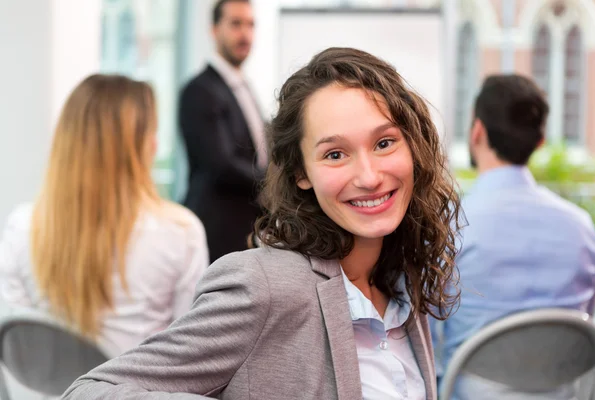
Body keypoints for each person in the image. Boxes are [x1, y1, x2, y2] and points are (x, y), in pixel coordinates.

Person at [62, 47, 461, 400]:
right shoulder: (265, 288)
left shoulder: (399, 279)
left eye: (384, 143)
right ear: (301, 172)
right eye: (335, 154)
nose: (370, 175)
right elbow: (91, 392)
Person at [0, 74, 210, 359]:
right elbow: (188, 356)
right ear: (139, 147)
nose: (155, 145)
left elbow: (17, 353)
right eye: (152, 134)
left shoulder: (22, 227)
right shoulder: (181, 233)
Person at [431, 74, 595, 399]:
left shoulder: (450, 228)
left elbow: (426, 336)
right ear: (538, 142)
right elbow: (581, 323)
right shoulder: (582, 227)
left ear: (477, 131)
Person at [179, 0, 266, 262]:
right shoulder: (200, 90)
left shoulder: (244, 87)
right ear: (214, 30)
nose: (245, 34)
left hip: (245, 226)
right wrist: (274, 183)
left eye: (250, 25)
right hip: (216, 229)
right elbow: (221, 165)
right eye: (235, 24)